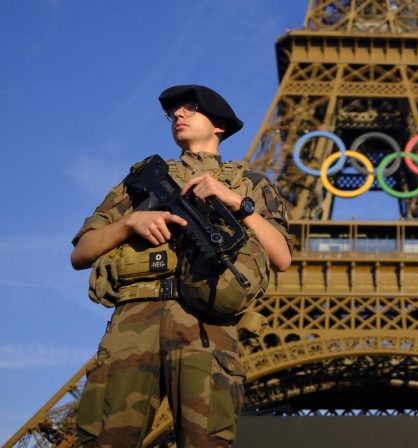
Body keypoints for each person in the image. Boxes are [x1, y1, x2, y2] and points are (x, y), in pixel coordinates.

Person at [71, 84, 292, 447]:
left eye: (191, 108)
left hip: (208, 324)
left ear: (219, 124)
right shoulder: (138, 183)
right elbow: (81, 253)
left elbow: (282, 256)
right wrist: (129, 223)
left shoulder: (250, 184)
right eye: (174, 112)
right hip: (133, 321)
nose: (179, 115)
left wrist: (237, 202)